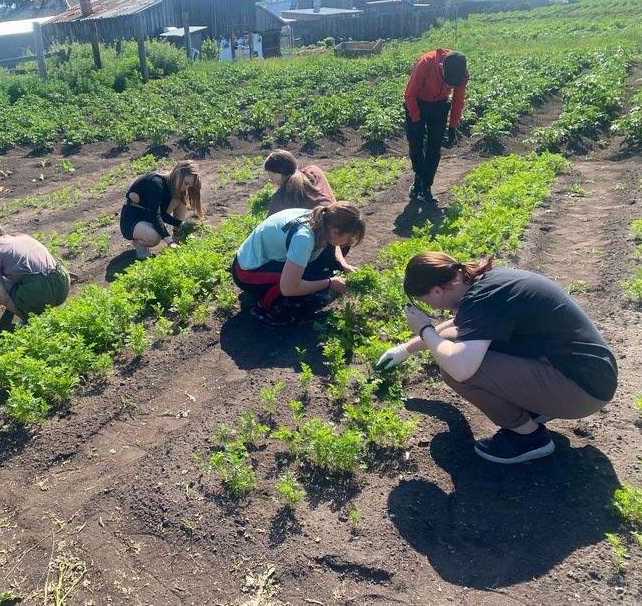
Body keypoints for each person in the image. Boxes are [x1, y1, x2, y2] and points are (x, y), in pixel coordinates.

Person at [376, 252, 618, 465]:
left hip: (581, 391)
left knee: (453, 368)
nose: (431, 308)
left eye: (425, 300)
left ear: (437, 291)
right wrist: (405, 349)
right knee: (462, 350)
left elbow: (461, 369)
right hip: (591, 376)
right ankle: (534, 409)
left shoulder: (482, 299)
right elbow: (461, 326)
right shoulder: (487, 282)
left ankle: (529, 438)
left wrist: (424, 329)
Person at [232, 202, 365, 327]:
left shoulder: (322, 220)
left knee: (319, 265)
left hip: (270, 259)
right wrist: (330, 282)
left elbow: (333, 245)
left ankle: (295, 290)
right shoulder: (304, 238)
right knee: (292, 282)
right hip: (246, 272)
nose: (349, 241)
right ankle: (263, 308)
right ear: (335, 231)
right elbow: (288, 288)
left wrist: (343, 265)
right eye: (349, 237)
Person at [263, 149, 359, 278]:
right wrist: (343, 264)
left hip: (322, 243)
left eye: (271, 176)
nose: (271, 181)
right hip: (343, 238)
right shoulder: (315, 171)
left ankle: (315, 278)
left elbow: (268, 233)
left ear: (280, 174)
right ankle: (330, 268)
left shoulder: (282, 195)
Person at [403, 49, 469, 204]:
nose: (449, 85)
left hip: (439, 105)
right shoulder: (425, 63)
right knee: (415, 145)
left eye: (452, 84)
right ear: (441, 67)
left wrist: (452, 126)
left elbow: (458, 101)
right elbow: (409, 94)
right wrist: (416, 119)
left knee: (435, 148)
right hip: (416, 102)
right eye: (448, 81)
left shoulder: (462, 74)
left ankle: (426, 188)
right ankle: (419, 177)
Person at [0, 220, 70, 323]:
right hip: (62, 284)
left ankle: (26, 318)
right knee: (16, 276)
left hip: (41, 294)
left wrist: (24, 317)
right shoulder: (22, 237)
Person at [119, 160, 203, 260]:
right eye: (186, 183)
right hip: (132, 221)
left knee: (180, 200)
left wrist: (180, 225)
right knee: (154, 237)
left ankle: (179, 235)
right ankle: (140, 245)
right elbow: (155, 214)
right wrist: (169, 242)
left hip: (149, 217)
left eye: (189, 186)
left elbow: (162, 214)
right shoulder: (156, 182)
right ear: (178, 173)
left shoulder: (173, 187)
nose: (186, 188)